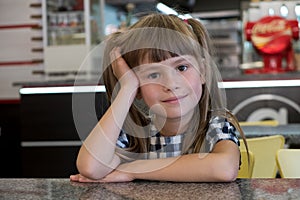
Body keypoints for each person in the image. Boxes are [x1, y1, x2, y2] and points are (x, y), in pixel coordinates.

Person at [70, 13, 248, 183]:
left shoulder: (216, 125)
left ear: (203, 71)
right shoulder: (136, 134)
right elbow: (91, 168)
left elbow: (224, 168)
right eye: (153, 74)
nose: (170, 84)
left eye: (181, 68)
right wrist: (127, 88)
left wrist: (133, 169)